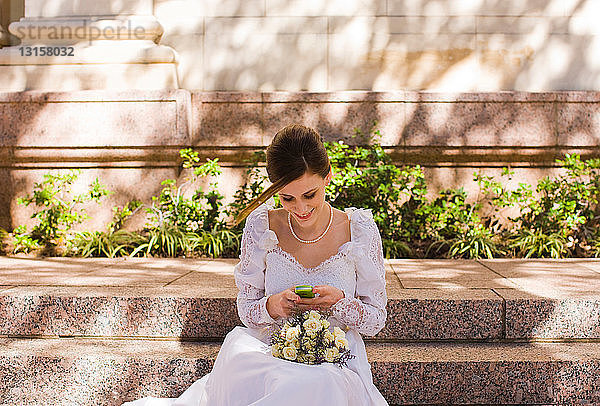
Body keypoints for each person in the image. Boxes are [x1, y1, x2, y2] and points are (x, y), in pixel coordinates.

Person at [122, 124, 389, 406]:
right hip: (270, 350)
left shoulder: (358, 231)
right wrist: (273, 305)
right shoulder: (262, 226)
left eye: (309, 194)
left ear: (328, 177)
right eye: (287, 198)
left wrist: (339, 302)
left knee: (317, 384)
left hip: (337, 358)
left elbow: (376, 320)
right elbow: (247, 309)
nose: (300, 209)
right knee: (243, 356)